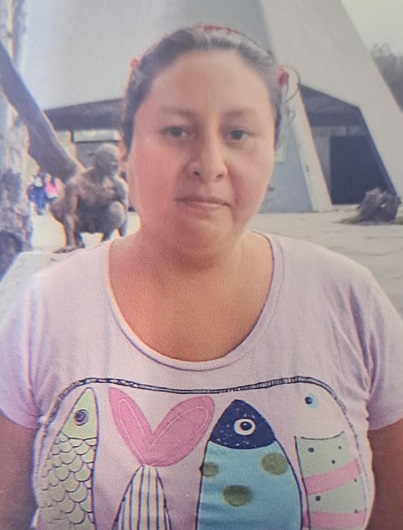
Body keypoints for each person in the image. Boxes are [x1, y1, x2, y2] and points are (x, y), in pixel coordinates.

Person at [1, 26, 403, 530]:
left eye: (238, 134)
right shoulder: (47, 309)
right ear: (124, 146)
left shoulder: (349, 303)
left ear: (272, 147)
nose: (209, 165)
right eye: (176, 130)